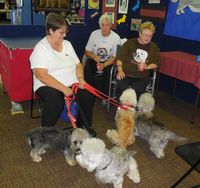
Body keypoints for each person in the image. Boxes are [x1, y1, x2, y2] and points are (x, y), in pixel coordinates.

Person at [30, 13, 96, 136]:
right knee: (55, 100)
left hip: (71, 82)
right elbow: (41, 75)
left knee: (87, 95)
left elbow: (78, 65)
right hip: (47, 85)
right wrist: (64, 89)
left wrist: (81, 79)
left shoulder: (67, 45)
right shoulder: (41, 48)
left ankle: (82, 129)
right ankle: (45, 133)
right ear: (51, 31)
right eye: (61, 33)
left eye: (65, 32)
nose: (64, 35)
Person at [116, 21, 160, 99]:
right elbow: (120, 58)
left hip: (142, 76)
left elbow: (157, 62)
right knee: (122, 87)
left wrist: (147, 67)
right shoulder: (129, 43)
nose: (147, 38)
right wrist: (120, 70)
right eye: (145, 35)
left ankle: (135, 108)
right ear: (140, 33)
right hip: (125, 73)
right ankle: (121, 107)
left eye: (150, 36)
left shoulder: (154, 47)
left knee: (138, 89)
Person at [84, 14, 121, 98]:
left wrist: (104, 65)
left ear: (111, 25)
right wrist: (93, 56)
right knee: (87, 69)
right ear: (99, 25)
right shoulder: (94, 34)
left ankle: (104, 96)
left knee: (108, 72)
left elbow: (115, 57)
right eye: (102, 25)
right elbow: (86, 51)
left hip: (108, 62)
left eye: (107, 25)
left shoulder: (116, 37)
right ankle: (88, 93)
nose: (104, 27)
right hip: (95, 59)